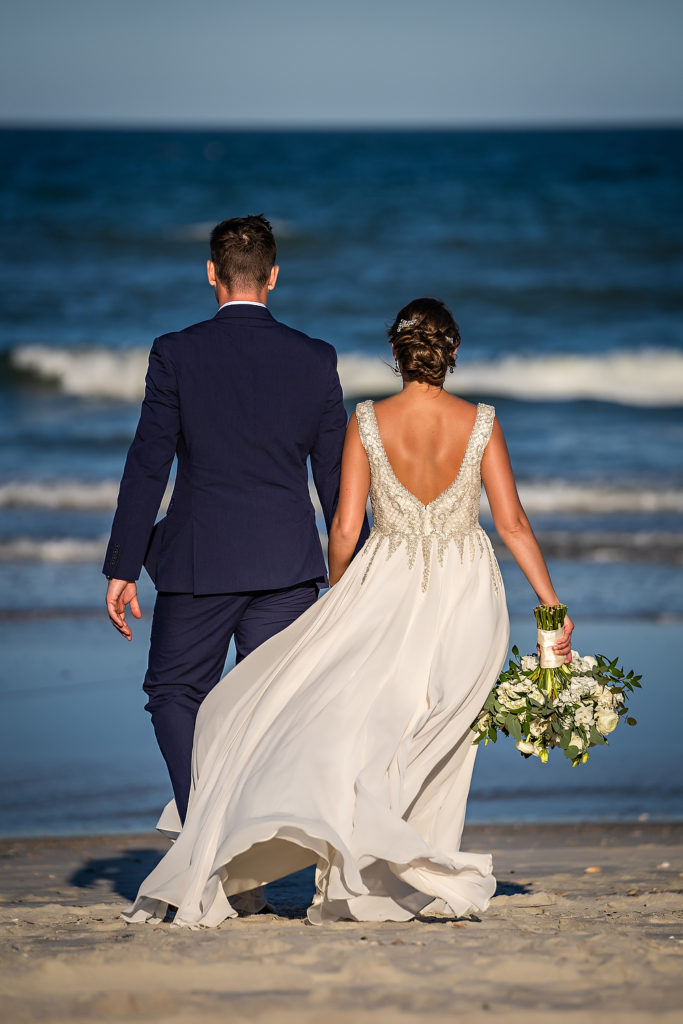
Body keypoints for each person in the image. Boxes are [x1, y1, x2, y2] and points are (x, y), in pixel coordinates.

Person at [123, 296, 574, 928]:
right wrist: (551, 605)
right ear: (451, 352)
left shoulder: (366, 421)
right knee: (443, 726)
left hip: (385, 584)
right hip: (469, 590)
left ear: (397, 353)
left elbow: (343, 526)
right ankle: (418, 868)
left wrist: (340, 596)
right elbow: (513, 524)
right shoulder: (482, 423)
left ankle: (368, 866)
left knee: (377, 722)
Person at [103, 214, 366, 824]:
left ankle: (206, 828)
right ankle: (248, 838)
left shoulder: (175, 353)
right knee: (275, 707)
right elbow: (336, 479)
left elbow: (148, 464)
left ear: (211, 274)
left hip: (199, 564)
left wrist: (123, 565)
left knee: (175, 694)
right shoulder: (315, 359)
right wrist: (358, 568)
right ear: (273, 276)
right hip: (288, 565)